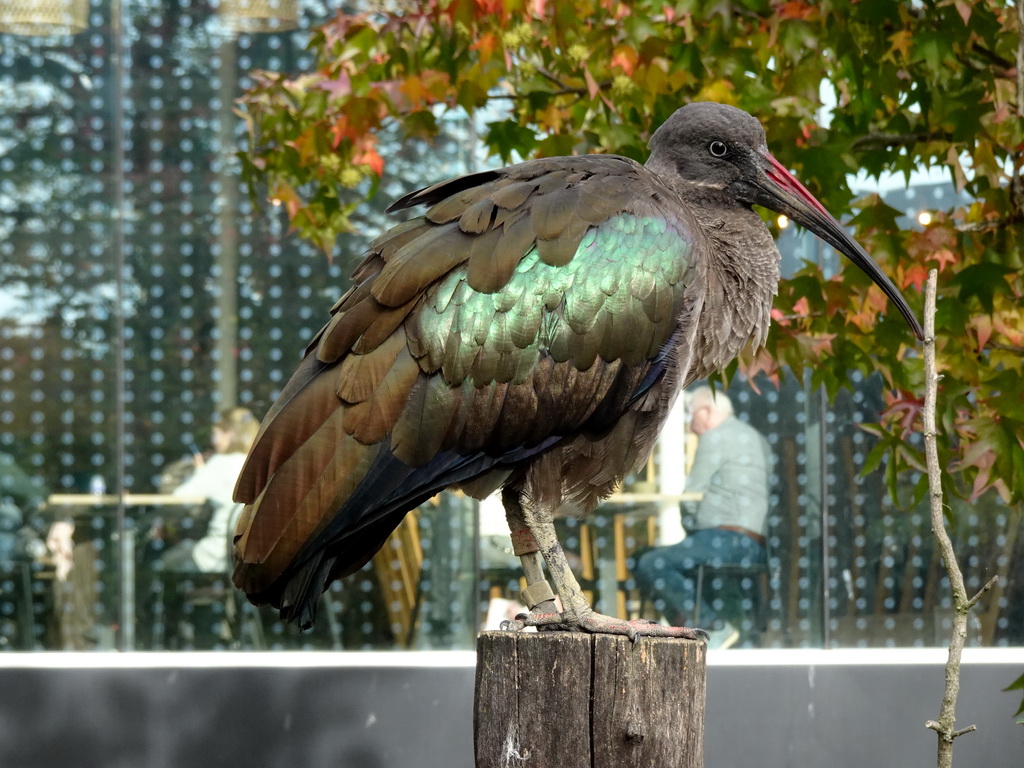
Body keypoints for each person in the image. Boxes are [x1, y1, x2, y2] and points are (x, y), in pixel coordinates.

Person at [634, 386, 771, 649]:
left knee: (650, 562)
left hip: (723, 540)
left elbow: (692, 496)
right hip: (756, 546)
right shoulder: (755, 437)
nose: (690, 424)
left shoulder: (715, 437)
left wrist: (691, 527)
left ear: (707, 412)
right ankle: (700, 626)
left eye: (691, 414)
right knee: (669, 563)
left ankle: (709, 627)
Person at [159, 407, 259, 573]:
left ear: (229, 433)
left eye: (215, 434)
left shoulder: (222, 463)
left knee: (165, 562)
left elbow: (180, 499)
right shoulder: (259, 464)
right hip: (250, 559)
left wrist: (200, 472)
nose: (213, 441)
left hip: (216, 557)